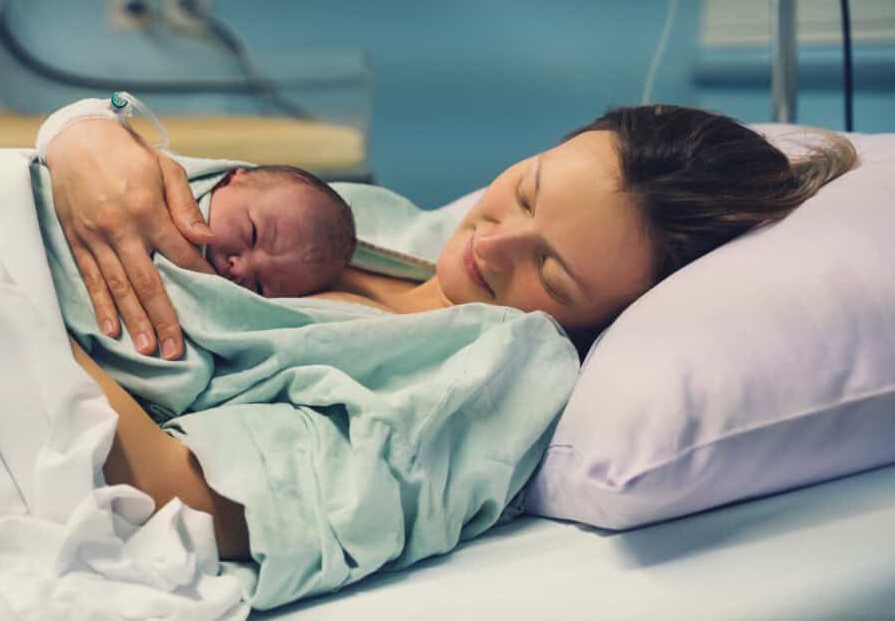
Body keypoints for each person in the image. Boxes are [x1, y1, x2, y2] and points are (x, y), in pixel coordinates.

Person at [43, 103, 855, 572]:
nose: (491, 244)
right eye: (528, 190)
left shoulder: (483, 378)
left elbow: (180, 492)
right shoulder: (396, 227)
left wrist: (23, 305)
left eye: (553, 271)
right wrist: (80, 133)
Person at [195, 163, 356, 298]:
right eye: (253, 235)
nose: (240, 269)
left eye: (259, 288)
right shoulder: (182, 182)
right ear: (230, 180)